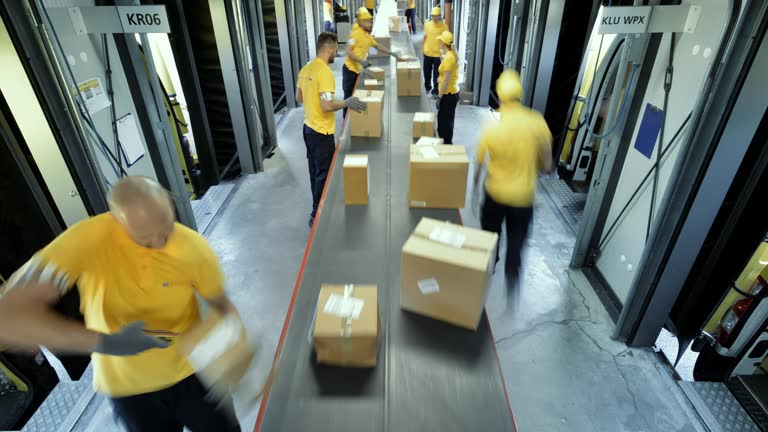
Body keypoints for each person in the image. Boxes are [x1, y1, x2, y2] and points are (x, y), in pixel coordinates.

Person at [0, 176, 242, 432]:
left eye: (166, 227)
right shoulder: (87, 240)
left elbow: (222, 305)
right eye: (146, 239)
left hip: (190, 373)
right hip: (129, 389)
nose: (160, 244)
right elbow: (8, 318)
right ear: (117, 221)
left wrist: (231, 348)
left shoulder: (192, 246)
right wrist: (108, 343)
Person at [473, 70, 553, 289]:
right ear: (520, 94)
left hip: (495, 194)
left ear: (499, 96)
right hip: (523, 198)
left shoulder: (492, 128)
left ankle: (491, 264)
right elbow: (547, 165)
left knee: (491, 233)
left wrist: (474, 187)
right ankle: (512, 272)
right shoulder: (537, 122)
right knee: (517, 239)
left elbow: (479, 165)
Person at [298, 32, 367, 228]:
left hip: (308, 128)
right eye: (336, 49)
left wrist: (313, 99)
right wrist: (347, 102)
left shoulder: (305, 69)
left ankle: (315, 206)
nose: (337, 52)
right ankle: (316, 215)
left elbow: (299, 97)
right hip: (321, 132)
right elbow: (327, 106)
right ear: (329, 48)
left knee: (314, 171)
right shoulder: (325, 72)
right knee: (324, 174)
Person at [343, 8, 404, 116]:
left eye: (370, 21)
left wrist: (392, 53)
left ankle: (354, 117)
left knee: (355, 95)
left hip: (358, 69)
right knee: (348, 97)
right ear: (360, 22)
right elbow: (348, 51)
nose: (369, 23)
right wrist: (361, 61)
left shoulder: (366, 35)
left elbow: (377, 45)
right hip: (349, 69)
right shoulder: (354, 34)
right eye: (366, 21)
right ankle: (346, 117)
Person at [436, 31, 460, 144]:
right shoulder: (448, 55)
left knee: (445, 124)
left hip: (448, 95)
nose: (439, 43)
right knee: (444, 121)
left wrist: (439, 97)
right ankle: (445, 142)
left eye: (440, 41)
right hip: (449, 93)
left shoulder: (449, 58)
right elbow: (445, 77)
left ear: (443, 43)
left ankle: (447, 145)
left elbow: (446, 80)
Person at [422, 6, 447, 96]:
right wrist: (422, 49)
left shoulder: (444, 27)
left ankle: (435, 91)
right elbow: (425, 37)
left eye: (437, 16)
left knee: (437, 74)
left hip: (438, 55)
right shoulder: (427, 25)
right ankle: (427, 87)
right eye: (433, 16)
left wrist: (444, 53)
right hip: (427, 52)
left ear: (440, 16)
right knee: (427, 72)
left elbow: (445, 41)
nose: (435, 18)